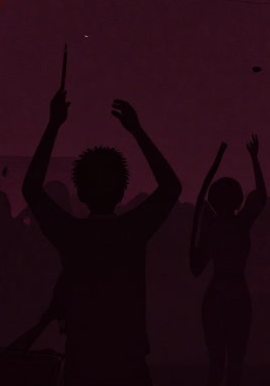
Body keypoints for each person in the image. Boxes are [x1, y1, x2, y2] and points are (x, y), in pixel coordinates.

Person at [21, 88, 182, 386]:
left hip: (83, 353)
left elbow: (31, 187)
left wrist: (53, 125)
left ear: (80, 193)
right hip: (128, 354)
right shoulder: (132, 231)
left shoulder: (71, 234)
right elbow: (171, 187)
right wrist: (137, 131)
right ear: (122, 192)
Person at [189, 136, 267, 386]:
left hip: (216, 294)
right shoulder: (240, 223)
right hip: (237, 294)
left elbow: (196, 268)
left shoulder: (211, 226)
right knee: (235, 360)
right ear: (237, 200)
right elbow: (261, 197)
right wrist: (255, 159)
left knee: (217, 362)